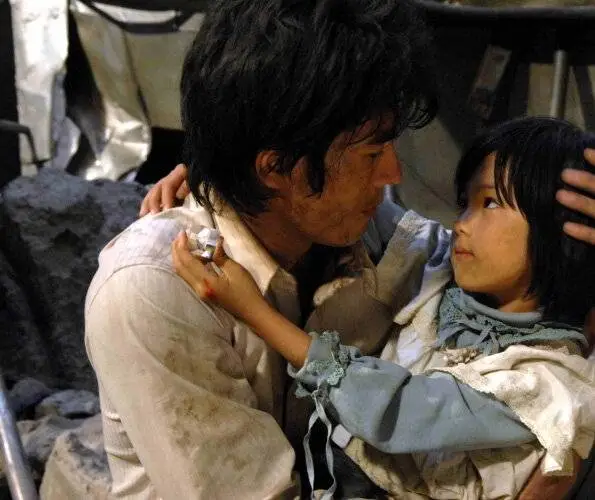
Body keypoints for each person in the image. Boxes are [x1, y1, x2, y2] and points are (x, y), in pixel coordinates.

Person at [171, 117, 595, 499]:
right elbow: (352, 209)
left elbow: (398, 411)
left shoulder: (546, 383)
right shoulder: (441, 267)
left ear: (563, 236)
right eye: (464, 203)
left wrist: (255, 311)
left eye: (490, 203)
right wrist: (238, 180)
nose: (462, 223)